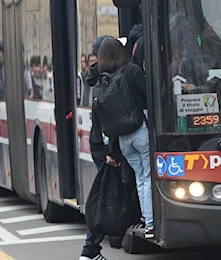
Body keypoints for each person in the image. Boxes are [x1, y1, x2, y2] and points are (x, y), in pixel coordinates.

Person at [97, 37, 153, 239]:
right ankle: (151, 222)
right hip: (140, 130)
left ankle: (147, 218)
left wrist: (112, 150)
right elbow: (150, 95)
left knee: (140, 177)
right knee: (148, 175)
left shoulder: (104, 79)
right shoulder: (133, 71)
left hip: (122, 139)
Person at [79, 35, 116, 260]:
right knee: (106, 196)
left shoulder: (96, 79)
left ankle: (91, 249)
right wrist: (112, 151)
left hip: (99, 144)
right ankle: (89, 249)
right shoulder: (107, 82)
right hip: (104, 146)